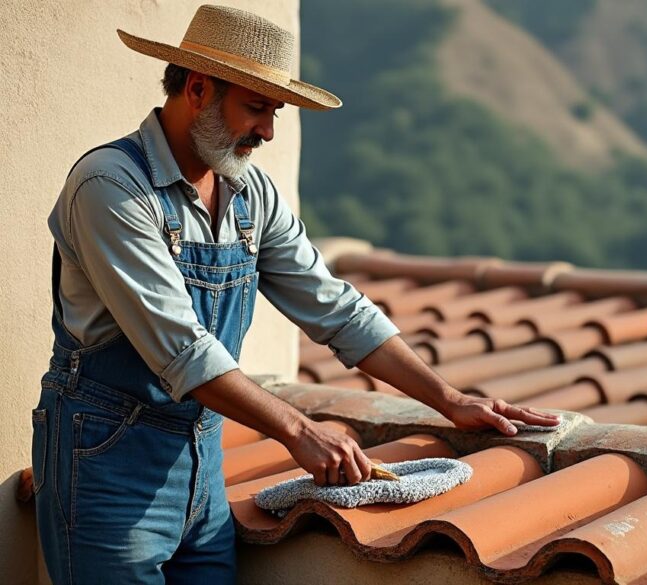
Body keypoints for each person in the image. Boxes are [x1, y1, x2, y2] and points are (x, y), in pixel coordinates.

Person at [31, 5, 559, 583]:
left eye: (274, 111)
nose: (268, 131)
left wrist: (449, 400)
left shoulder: (252, 193)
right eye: (256, 108)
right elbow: (181, 350)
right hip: (106, 465)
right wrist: (300, 432)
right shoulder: (111, 186)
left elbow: (337, 310)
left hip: (203, 464)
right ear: (200, 89)